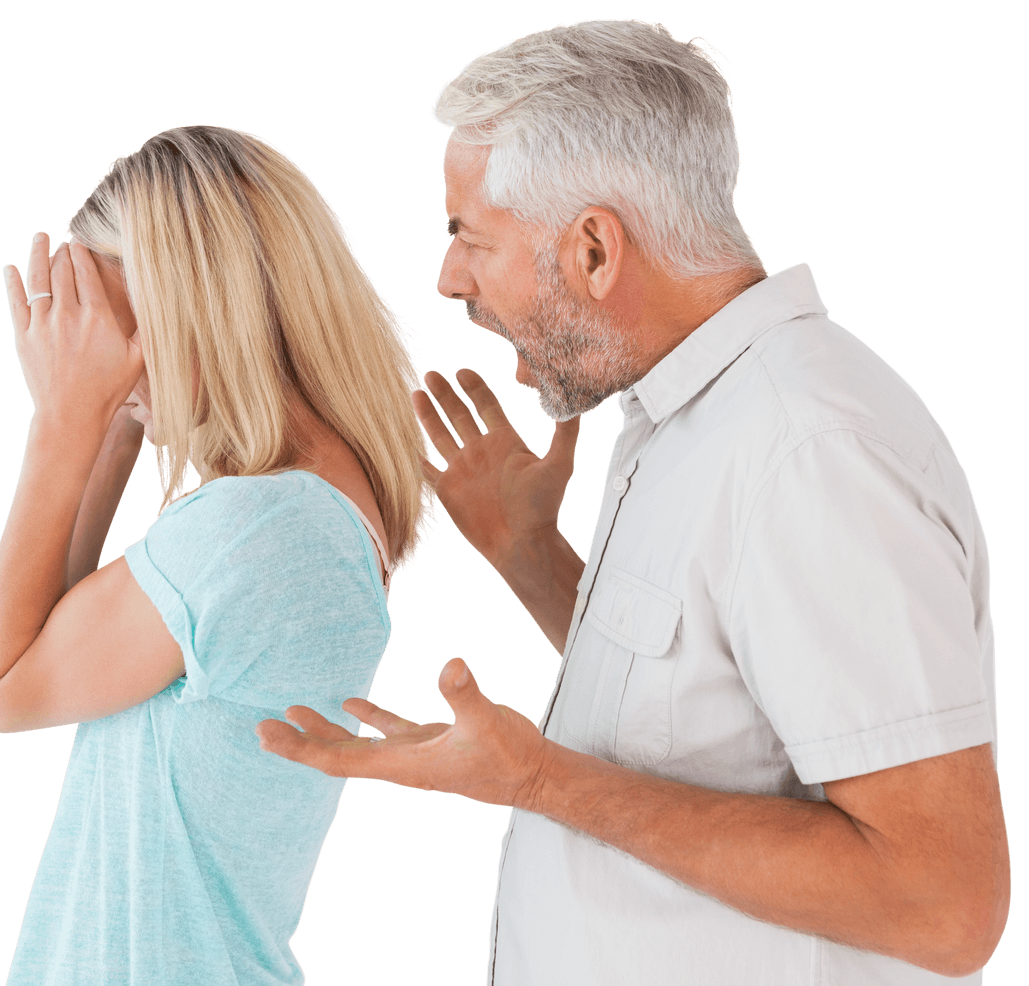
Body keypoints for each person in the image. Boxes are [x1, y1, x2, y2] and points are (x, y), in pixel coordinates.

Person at [256, 19, 1011, 985]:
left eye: (470, 239)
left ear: (595, 251)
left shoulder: (808, 451)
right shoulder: (684, 417)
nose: (448, 281)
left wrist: (534, 779)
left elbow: (942, 905)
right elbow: (711, 718)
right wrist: (530, 555)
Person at [0, 125, 434, 985]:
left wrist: (60, 426)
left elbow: (2, 690)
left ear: (185, 301)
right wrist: (107, 423)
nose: (93, 355)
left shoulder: (258, 529)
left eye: (110, 321)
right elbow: (64, 647)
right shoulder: (305, 512)